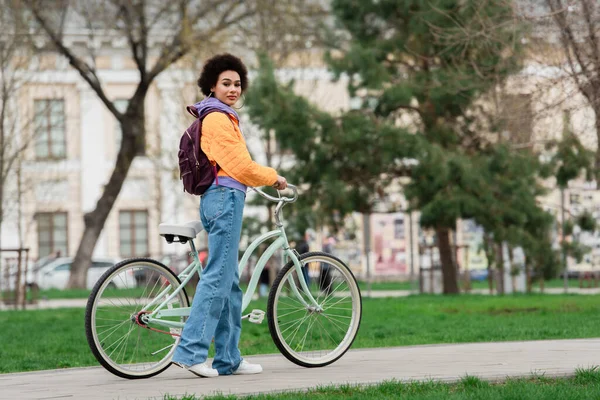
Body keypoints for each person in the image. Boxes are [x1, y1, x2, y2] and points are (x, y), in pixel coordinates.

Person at [172, 53, 287, 378]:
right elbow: (240, 167)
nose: (233, 89)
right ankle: (191, 352)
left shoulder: (222, 116)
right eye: (226, 83)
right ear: (212, 85)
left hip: (221, 197)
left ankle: (228, 358)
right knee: (218, 275)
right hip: (225, 197)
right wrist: (273, 177)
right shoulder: (218, 118)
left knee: (230, 281)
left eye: (237, 84)